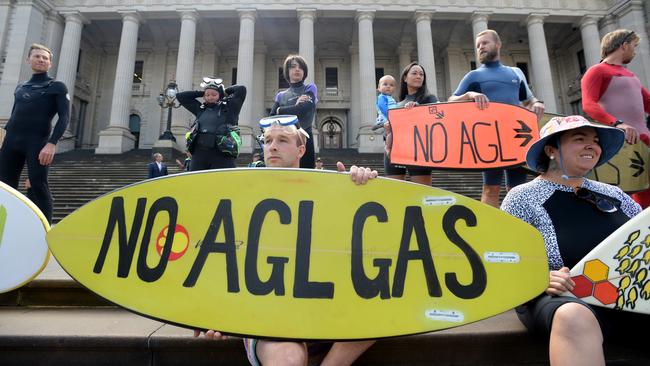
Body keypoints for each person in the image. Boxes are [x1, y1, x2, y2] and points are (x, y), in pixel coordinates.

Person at [194, 118, 377, 366]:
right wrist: (205, 309)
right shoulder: (242, 194)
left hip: (328, 307)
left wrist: (360, 191)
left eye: (282, 140)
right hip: (270, 313)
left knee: (384, 310)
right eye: (268, 141)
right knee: (288, 359)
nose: (273, 147)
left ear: (301, 150)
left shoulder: (330, 187)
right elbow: (219, 255)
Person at [501, 115, 646, 366]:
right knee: (573, 316)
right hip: (557, 296)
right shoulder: (522, 197)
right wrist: (539, 277)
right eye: (580, 139)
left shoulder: (614, 194)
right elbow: (501, 257)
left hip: (628, 294)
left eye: (596, 141)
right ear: (551, 150)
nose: (592, 146)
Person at [448, 29, 544, 207]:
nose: (480, 48)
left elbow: (529, 99)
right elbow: (451, 101)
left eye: (484, 43)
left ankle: (517, 230)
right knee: (490, 189)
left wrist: (537, 103)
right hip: (489, 142)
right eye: (478, 46)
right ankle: (488, 232)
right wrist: (469, 94)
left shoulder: (515, 73)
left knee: (517, 189)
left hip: (516, 139)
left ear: (498, 44)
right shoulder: (473, 75)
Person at [0, 43, 69, 223]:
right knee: (6, 186)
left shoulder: (57, 87)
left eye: (45, 58)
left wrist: (52, 143)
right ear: (28, 59)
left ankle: (45, 231)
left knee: (39, 185)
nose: (41, 60)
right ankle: (8, 228)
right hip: (11, 142)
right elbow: (14, 116)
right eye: (37, 56)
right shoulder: (20, 88)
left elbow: (64, 118)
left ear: (50, 64)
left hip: (38, 143)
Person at [581, 29, 650, 209]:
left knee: (646, 193)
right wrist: (618, 123)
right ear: (624, 45)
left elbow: (648, 103)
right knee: (622, 195)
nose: (635, 51)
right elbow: (589, 104)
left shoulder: (631, 76)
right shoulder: (597, 71)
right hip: (619, 143)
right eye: (634, 46)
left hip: (644, 141)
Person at [383, 62, 439, 186]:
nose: (419, 76)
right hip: (395, 152)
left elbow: (440, 117)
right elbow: (388, 135)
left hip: (418, 150)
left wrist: (420, 111)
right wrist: (387, 130)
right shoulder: (398, 104)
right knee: (395, 191)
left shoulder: (429, 98)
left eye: (421, 74)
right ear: (405, 78)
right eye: (414, 73)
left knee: (422, 192)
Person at [177, 77, 246, 171]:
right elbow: (180, 96)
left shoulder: (230, 109)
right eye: (207, 95)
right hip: (199, 155)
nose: (210, 97)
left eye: (214, 94)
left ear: (220, 95)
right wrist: (203, 92)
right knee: (196, 184)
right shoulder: (200, 109)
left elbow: (241, 89)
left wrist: (223, 90)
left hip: (222, 155)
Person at [269, 55, 318, 169]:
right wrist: (295, 106)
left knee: (307, 177)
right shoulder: (281, 95)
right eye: (293, 67)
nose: (297, 69)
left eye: (301, 67)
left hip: (305, 139)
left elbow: (304, 109)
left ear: (304, 72)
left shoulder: (309, 88)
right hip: (285, 141)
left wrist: (280, 110)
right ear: (287, 71)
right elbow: (271, 117)